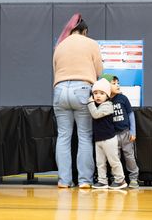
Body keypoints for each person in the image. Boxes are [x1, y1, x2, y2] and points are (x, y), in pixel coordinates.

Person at [53, 13, 103, 188]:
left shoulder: (59, 45)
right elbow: (99, 71)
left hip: (59, 91)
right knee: (84, 136)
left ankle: (64, 180)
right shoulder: (91, 43)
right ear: (84, 31)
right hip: (82, 89)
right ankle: (84, 181)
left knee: (63, 137)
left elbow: (55, 69)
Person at [88, 78, 127, 189]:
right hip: (99, 139)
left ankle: (120, 180)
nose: (98, 96)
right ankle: (102, 181)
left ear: (108, 95)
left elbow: (96, 114)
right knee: (100, 162)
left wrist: (90, 102)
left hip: (109, 139)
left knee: (113, 161)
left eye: (101, 93)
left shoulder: (108, 105)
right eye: (95, 93)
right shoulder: (97, 105)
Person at [102, 74, 140, 188]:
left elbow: (131, 114)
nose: (117, 85)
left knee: (129, 156)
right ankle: (117, 178)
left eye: (118, 83)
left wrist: (133, 131)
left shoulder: (123, 98)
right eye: (113, 83)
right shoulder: (105, 101)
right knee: (115, 158)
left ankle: (134, 178)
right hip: (113, 136)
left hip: (126, 133)